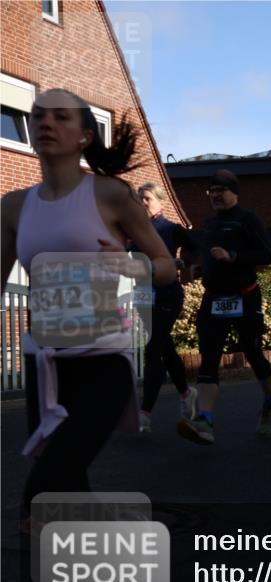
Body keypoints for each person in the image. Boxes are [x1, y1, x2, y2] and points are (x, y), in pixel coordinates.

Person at [1, 88, 176, 529]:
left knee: (45, 490)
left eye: (61, 117)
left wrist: (131, 264)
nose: (45, 122)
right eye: (38, 115)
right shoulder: (14, 206)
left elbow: (167, 266)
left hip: (102, 359)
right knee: (67, 488)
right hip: (46, 363)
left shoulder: (110, 194)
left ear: (84, 136)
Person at [176, 170, 271, 445]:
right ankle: (205, 421)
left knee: (253, 353)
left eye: (220, 190)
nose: (215, 195)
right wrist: (200, 268)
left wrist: (232, 256)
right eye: (211, 191)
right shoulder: (210, 224)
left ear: (234, 192)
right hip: (214, 300)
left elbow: (265, 255)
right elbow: (209, 257)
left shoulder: (247, 219)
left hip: (244, 297)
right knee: (209, 357)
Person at [134, 182, 199, 432]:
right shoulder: (136, 231)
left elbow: (196, 246)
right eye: (140, 198)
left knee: (153, 350)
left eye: (147, 198)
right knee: (165, 348)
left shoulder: (171, 229)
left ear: (160, 200)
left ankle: (144, 413)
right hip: (144, 296)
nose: (143, 203)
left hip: (168, 295)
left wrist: (183, 261)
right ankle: (185, 393)